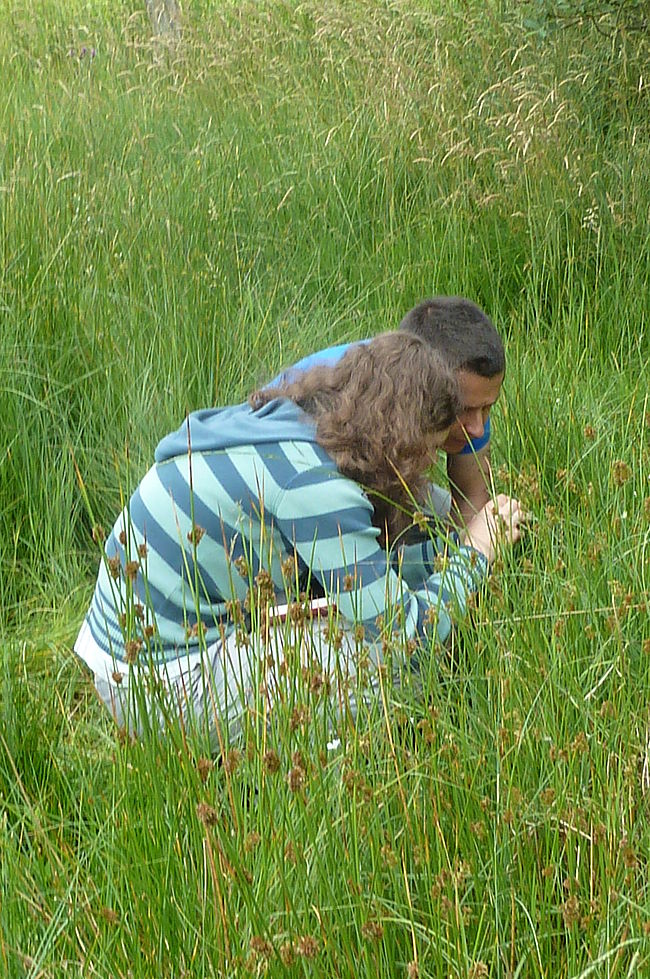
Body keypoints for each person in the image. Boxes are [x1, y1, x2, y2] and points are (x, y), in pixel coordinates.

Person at [74, 333, 522, 747]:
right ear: (400, 438)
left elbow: (359, 572)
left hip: (129, 654)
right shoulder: (312, 486)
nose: (424, 468)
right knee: (399, 672)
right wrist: (476, 554)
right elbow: (402, 634)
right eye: (424, 451)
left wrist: (450, 549)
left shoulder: (295, 424)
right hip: (151, 687)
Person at [271, 297, 504, 527]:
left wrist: (467, 550)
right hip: (292, 490)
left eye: (487, 408)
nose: (477, 428)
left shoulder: (471, 392)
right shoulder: (358, 404)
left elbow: (471, 503)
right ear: (420, 389)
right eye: (463, 409)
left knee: (443, 514)